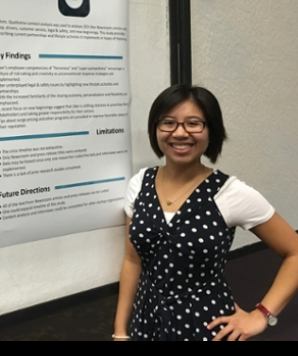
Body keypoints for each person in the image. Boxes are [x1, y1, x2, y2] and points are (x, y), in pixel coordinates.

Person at [113, 84, 298, 341]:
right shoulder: (140, 184)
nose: (180, 133)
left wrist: (262, 314)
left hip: (205, 324)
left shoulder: (231, 193)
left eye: (193, 123)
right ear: (155, 129)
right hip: (147, 318)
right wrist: (121, 332)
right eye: (168, 122)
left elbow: (295, 252)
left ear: (211, 131)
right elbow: (132, 261)